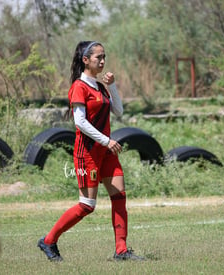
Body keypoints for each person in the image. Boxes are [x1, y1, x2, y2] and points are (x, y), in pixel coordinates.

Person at [37, 41, 144, 262]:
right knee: (87, 206)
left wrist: (112, 86)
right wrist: (106, 141)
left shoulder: (99, 86)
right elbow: (80, 123)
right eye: (98, 57)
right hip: (87, 153)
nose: (103, 61)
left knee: (119, 196)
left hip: (105, 152)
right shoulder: (79, 86)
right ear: (85, 60)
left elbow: (119, 111)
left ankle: (121, 251)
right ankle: (48, 240)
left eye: (104, 56)